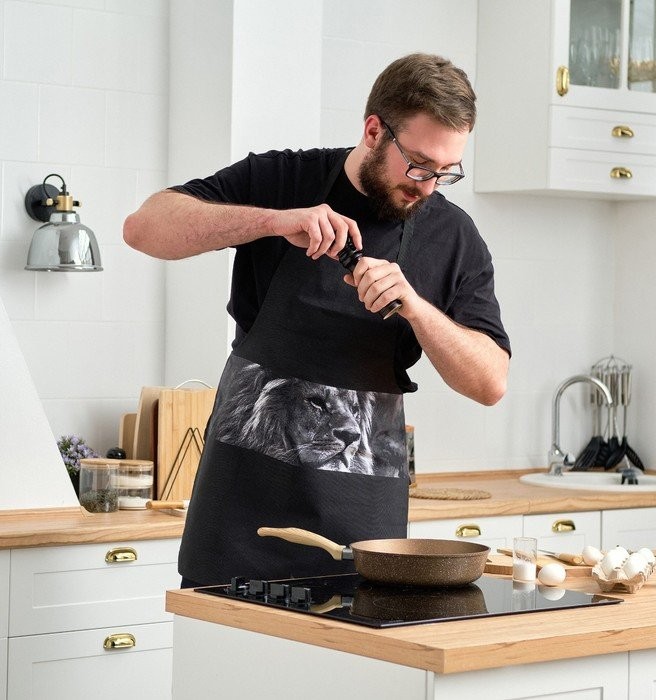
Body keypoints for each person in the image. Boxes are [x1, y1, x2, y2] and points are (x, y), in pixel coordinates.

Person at [123, 53, 511, 587]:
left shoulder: (454, 237)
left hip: (364, 526)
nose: (427, 186)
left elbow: (491, 383)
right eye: (419, 164)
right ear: (374, 131)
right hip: (240, 514)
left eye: (446, 173)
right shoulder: (285, 180)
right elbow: (143, 228)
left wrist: (416, 307)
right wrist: (272, 222)